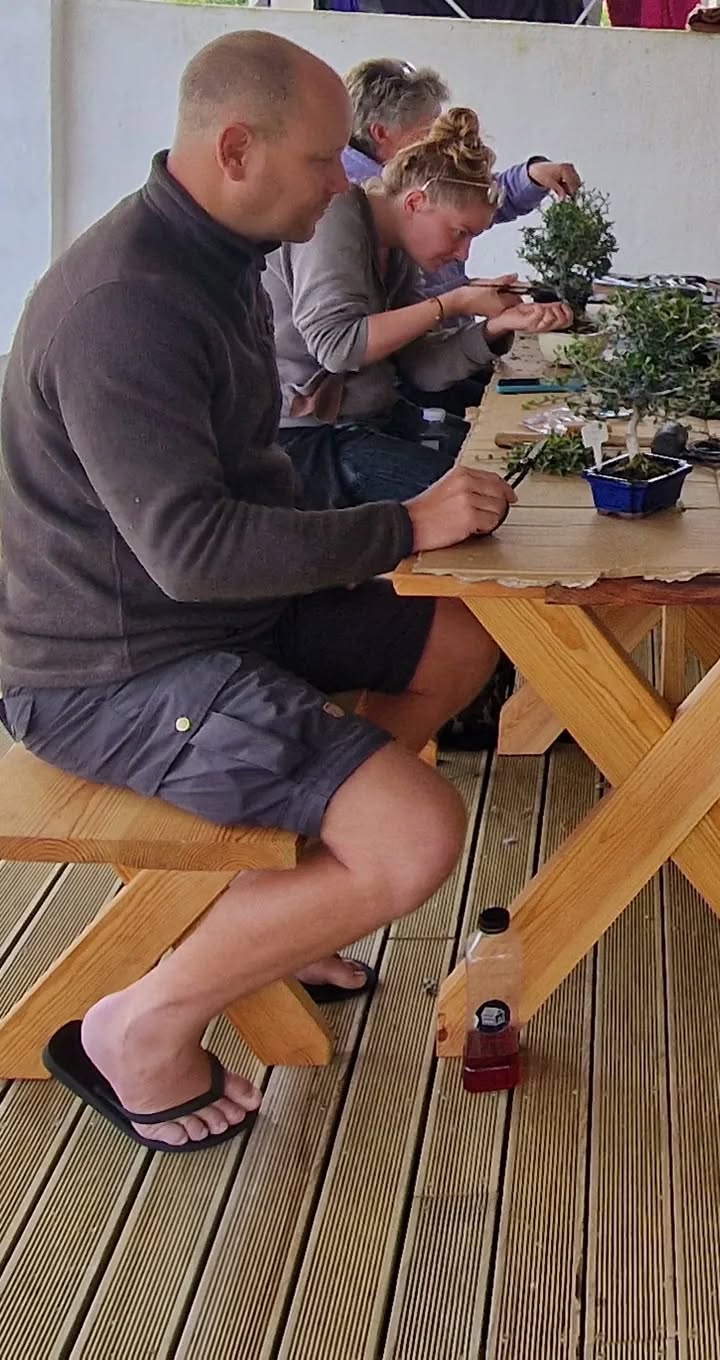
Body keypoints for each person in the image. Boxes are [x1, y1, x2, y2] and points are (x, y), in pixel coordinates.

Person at [0, 31, 519, 1152]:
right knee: (415, 838)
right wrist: (402, 524)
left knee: (460, 634)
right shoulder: (125, 305)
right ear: (236, 148)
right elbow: (188, 549)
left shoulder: (217, 260)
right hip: (111, 669)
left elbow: (249, 494)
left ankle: (284, 907)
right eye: (327, 161)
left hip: (215, 615)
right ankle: (134, 1028)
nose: (345, 185)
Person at [265, 106, 572, 510]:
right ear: (414, 202)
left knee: (521, 475)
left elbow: (418, 370)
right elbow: (337, 346)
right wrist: (452, 302)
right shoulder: (335, 215)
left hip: (374, 418)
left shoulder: (398, 249)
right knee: (488, 506)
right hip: (305, 438)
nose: (463, 252)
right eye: (459, 233)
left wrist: (494, 328)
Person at [342, 58, 581, 302]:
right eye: (429, 129)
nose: (440, 137)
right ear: (381, 133)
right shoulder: (347, 202)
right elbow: (359, 326)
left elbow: (468, 201)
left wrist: (531, 176)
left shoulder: (410, 174)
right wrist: (460, 300)